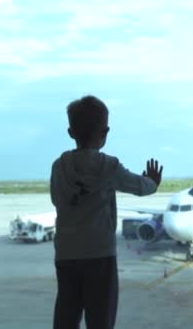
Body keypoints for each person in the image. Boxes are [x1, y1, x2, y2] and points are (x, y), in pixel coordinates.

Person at [49, 95, 163, 329]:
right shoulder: (109, 166)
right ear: (105, 132)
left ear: (71, 132)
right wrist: (152, 182)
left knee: (66, 314)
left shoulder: (59, 166)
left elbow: (56, 200)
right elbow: (140, 186)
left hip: (67, 253)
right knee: (101, 317)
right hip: (99, 253)